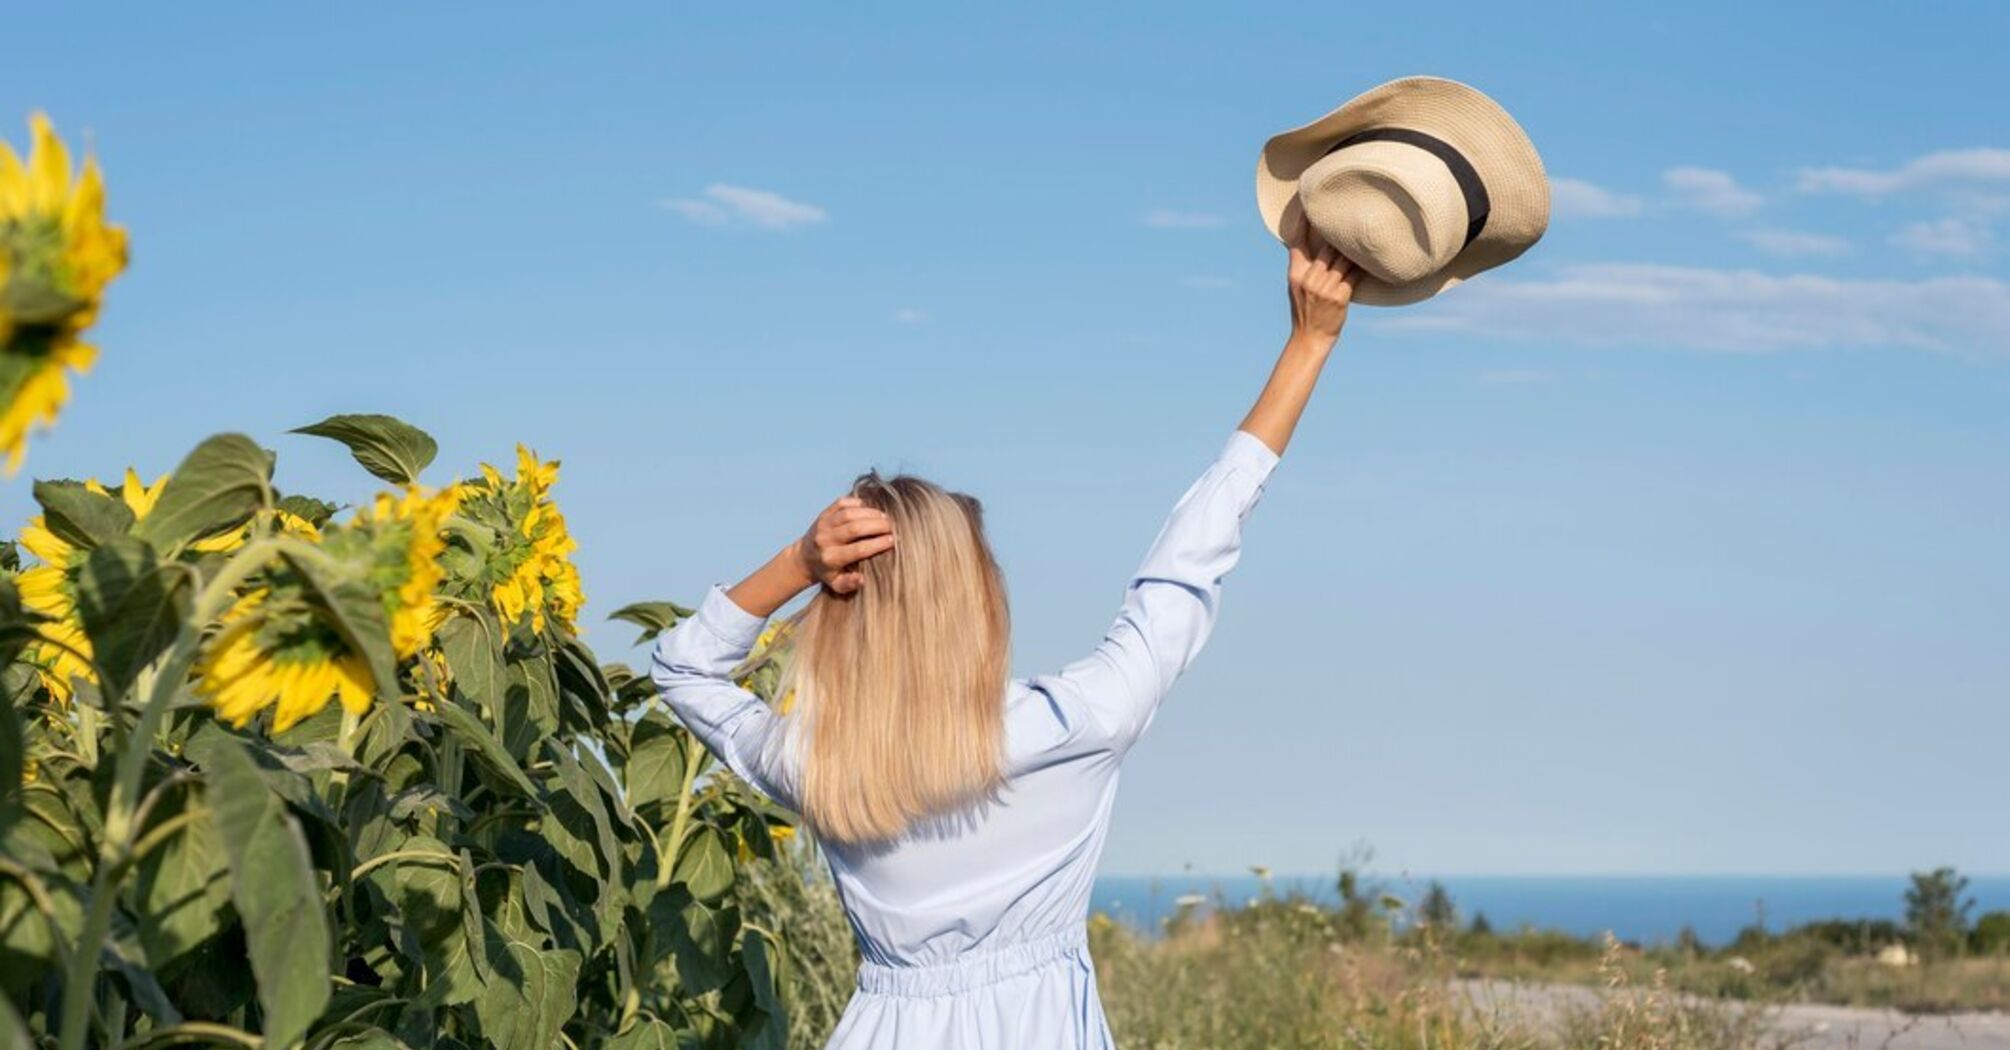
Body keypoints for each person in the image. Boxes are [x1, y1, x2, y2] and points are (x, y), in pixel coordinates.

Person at [651, 229, 1358, 1048]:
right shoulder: (1074, 724)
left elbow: (683, 666)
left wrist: (800, 562)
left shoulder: (818, 768)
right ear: (977, 602)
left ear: (850, 609)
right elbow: (1194, 550)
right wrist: (1310, 343)